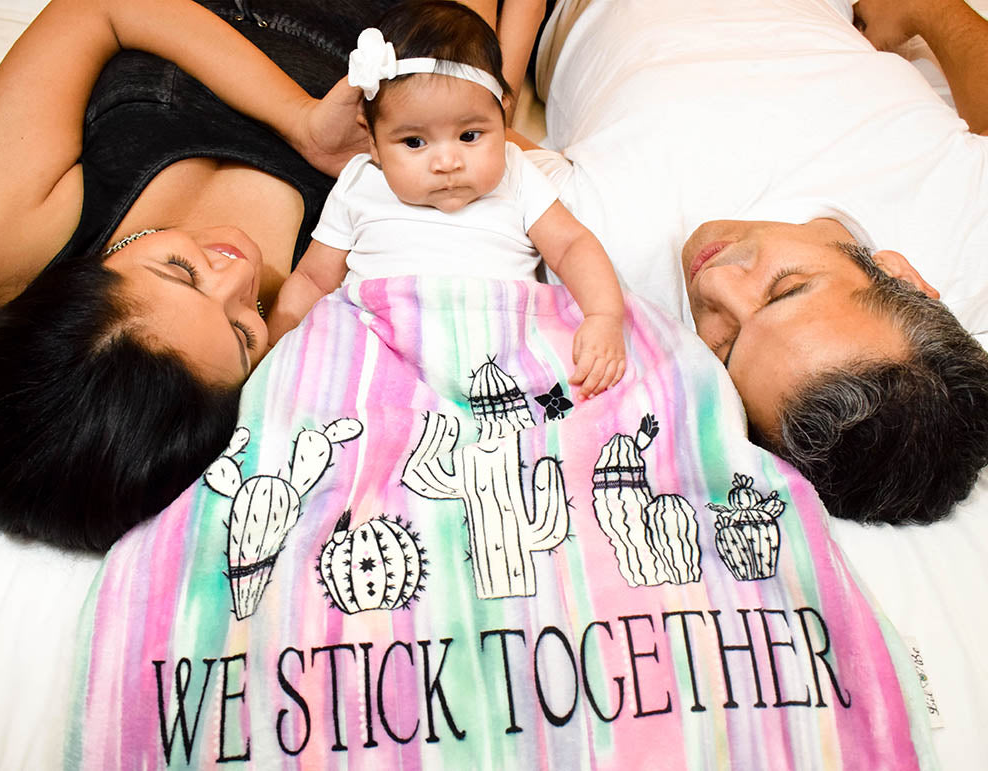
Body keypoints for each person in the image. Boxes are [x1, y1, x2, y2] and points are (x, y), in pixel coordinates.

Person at [516, 0, 988, 524]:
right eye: (786, 289)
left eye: (726, 345)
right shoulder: (964, 229)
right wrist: (930, 9)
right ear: (901, 274)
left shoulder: (603, 258)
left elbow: (473, 141)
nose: (716, 282)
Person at [0, 0, 398, 551]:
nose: (239, 276)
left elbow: (100, 9)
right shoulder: (321, 321)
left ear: (81, 280)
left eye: (180, 271)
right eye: (242, 334)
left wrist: (302, 122)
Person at [267, 0, 626, 399]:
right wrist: (279, 355)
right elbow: (313, 278)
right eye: (414, 142)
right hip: (381, 355)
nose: (447, 162)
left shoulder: (517, 171)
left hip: (498, 353)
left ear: (503, 115)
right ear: (371, 140)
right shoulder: (361, 182)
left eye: (470, 135)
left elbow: (571, 245)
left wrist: (603, 315)